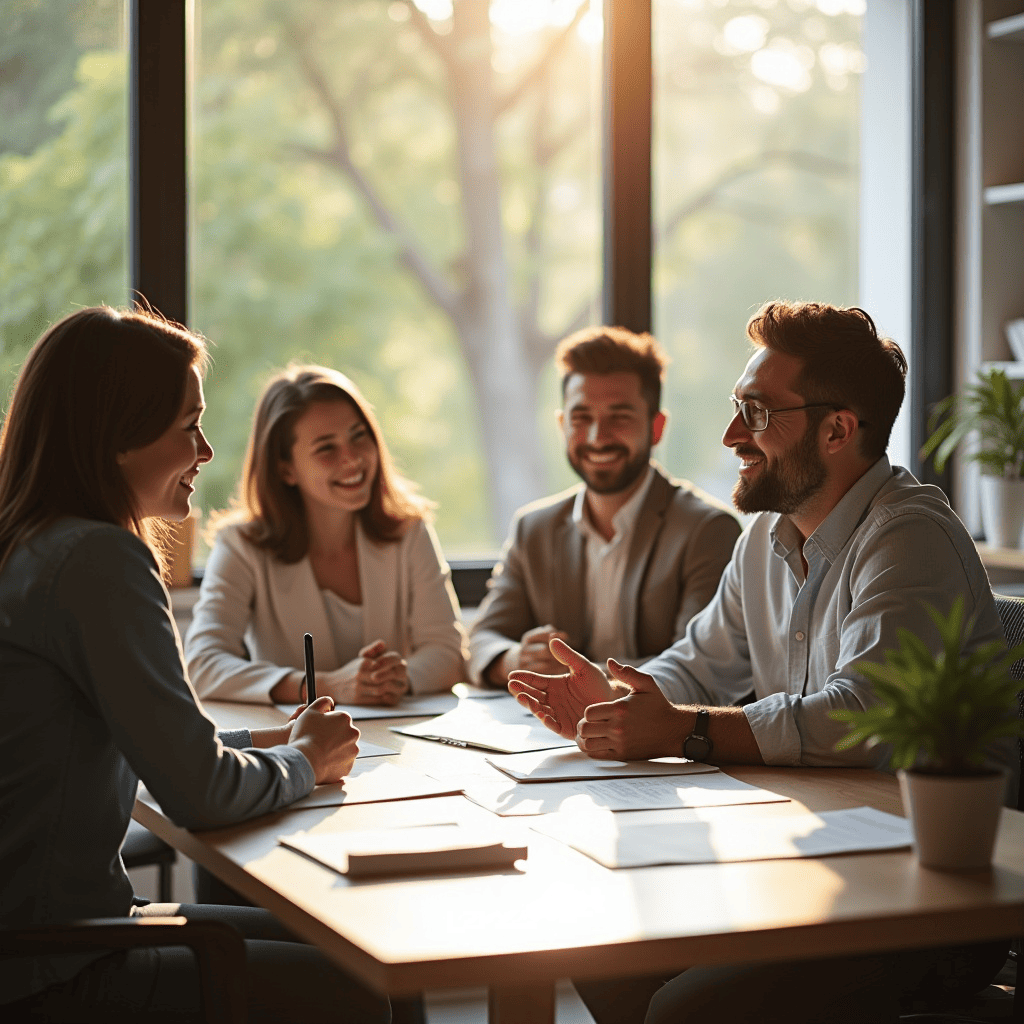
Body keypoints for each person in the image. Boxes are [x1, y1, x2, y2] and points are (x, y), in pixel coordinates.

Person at [509, 301, 1015, 1024]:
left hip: (928, 899)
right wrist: (624, 703)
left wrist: (683, 731)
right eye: (734, 407)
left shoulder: (909, 537)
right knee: (600, 949)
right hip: (812, 863)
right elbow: (700, 661)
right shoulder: (767, 538)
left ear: (837, 429)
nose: (729, 435)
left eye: (755, 411)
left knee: (684, 1010)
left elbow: (861, 715)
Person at [0, 307, 389, 1023]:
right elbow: (200, 792)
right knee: (366, 985)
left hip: (36, 940)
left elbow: (155, 746)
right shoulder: (97, 561)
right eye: (188, 427)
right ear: (118, 437)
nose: (207, 451)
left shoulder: (30, 546)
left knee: (345, 943)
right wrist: (304, 763)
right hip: (51, 968)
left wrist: (280, 742)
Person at [469, 325, 741, 687]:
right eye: (581, 418)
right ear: (562, 425)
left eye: (619, 417)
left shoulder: (707, 530)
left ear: (656, 428)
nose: (598, 437)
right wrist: (516, 658)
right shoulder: (533, 527)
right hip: (541, 734)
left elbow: (697, 665)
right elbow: (482, 640)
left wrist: (584, 679)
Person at [185, 364, 467, 707]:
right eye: (326, 448)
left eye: (358, 435)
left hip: (397, 734)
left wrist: (394, 679)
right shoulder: (241, 545)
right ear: (285, 468)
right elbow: (204, 663)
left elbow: (448, 650)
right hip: (294, 741)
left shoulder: (409, 531)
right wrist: (324, 686)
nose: (352, 460)